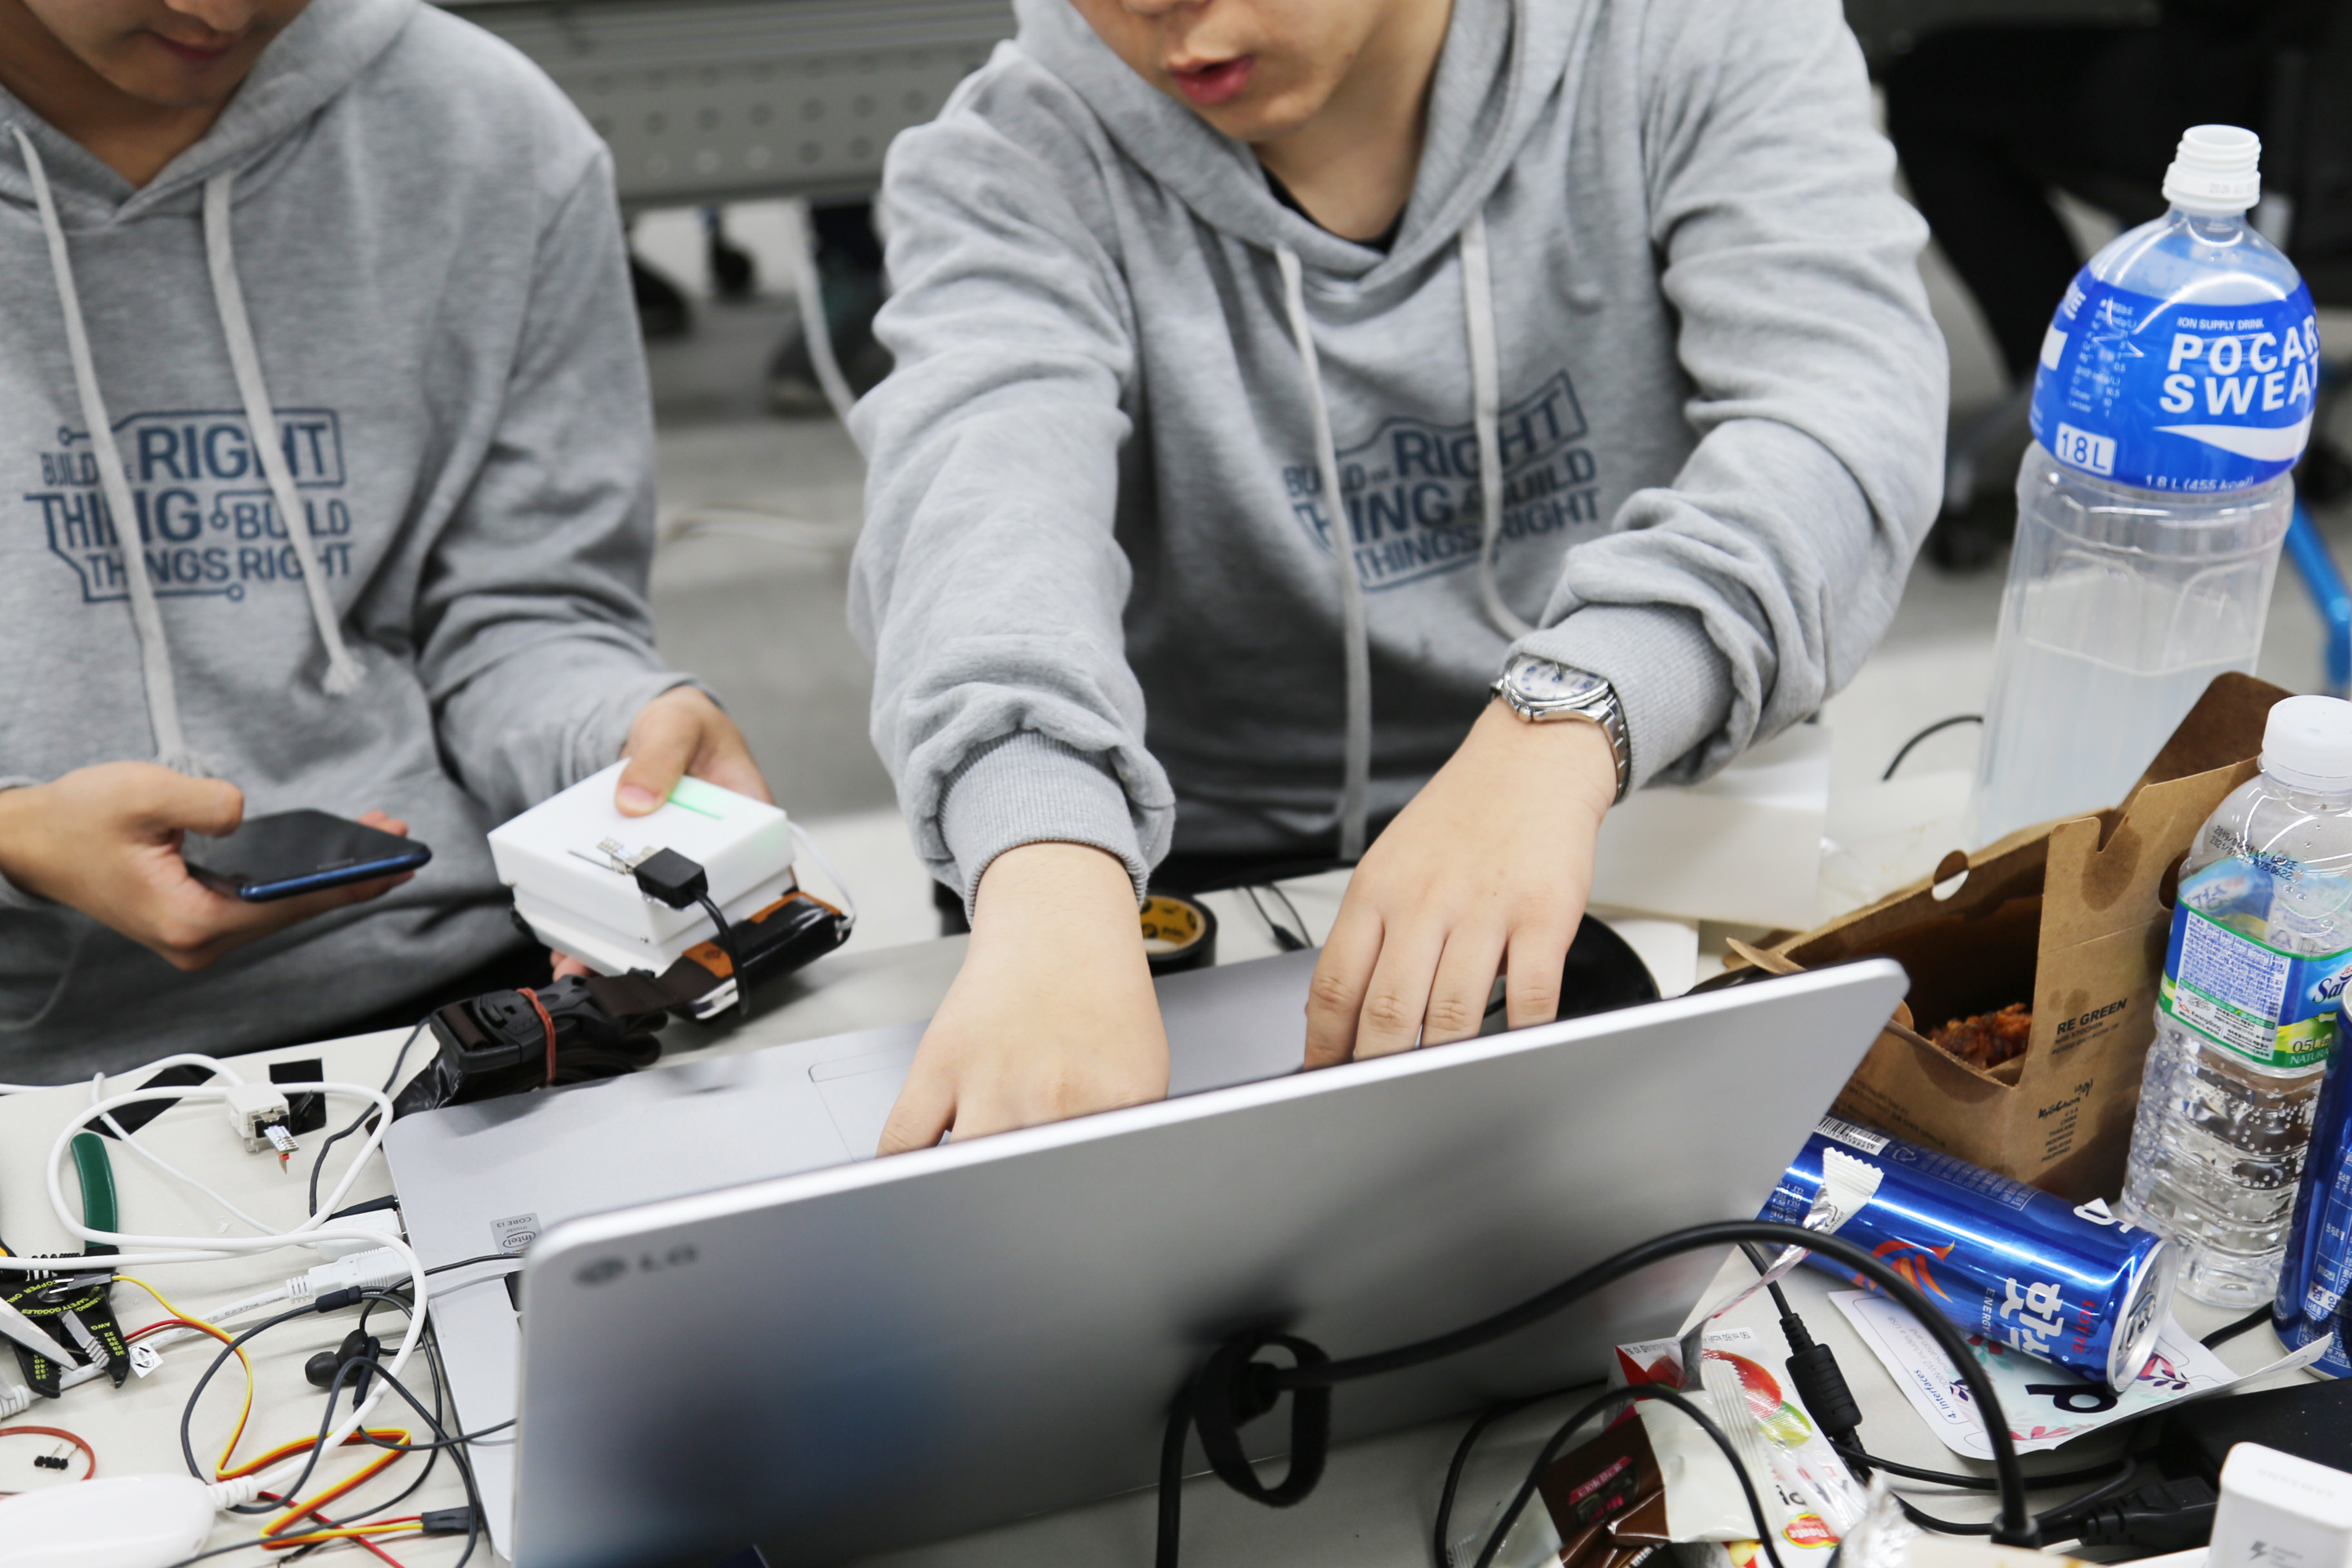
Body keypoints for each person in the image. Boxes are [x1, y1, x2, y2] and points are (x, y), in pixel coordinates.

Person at [851, 0, 1946, 1151]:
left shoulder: (1693, 32)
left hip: (1636, 811)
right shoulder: (1014, 154)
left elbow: (1840, 415)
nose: (1159, 13)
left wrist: (1567, 719)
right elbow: (978, 518)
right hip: (1185, 869)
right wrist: (1047, 867)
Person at [0, 0, 769, 1083]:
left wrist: (619, 727)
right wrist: (17, 840)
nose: (223, 10)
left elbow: (522, 611)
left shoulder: (490, 133)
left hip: (463, 992)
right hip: (32, 1051)